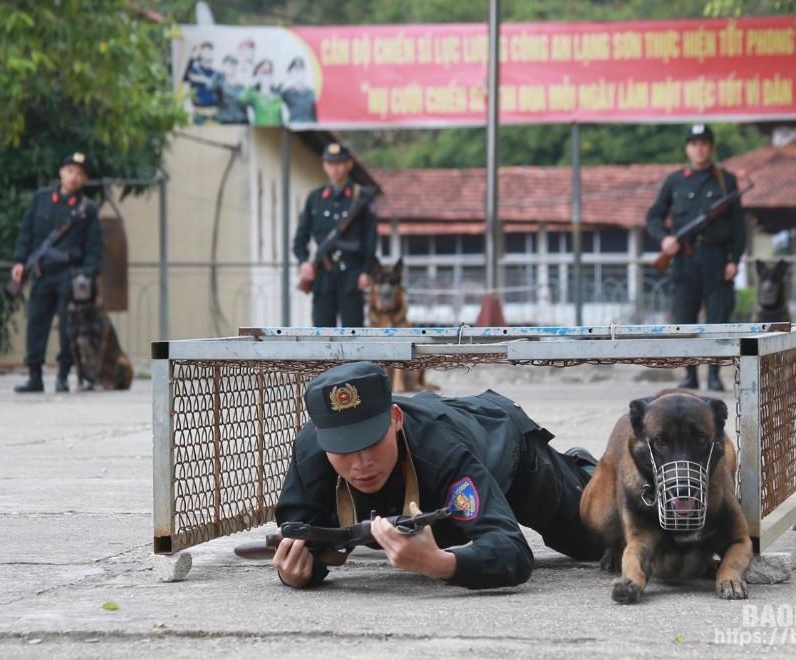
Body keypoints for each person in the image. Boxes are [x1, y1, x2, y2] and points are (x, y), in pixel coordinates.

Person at [272, 361, 604, 590]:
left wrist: (438, 564)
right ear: (319, 435)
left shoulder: (442, 451)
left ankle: (583, 469)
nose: (361, 463)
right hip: (445, 436)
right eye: (343, 449)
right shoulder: (311, 453)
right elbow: (301, 543)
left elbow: (512, 553)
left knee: (599, 539)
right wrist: (298, 573)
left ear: (396, 418)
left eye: (371, 442)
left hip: (511, 457)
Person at [645, 123, 746, 391]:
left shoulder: (726, 181)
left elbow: (739, 227)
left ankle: (714, 376)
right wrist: (666, 238)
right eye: (694, 144)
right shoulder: (675, 181)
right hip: (685, 260)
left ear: (711, 148)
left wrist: (734, 259)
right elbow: (654, 216)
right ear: (688, 148)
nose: (699, 148)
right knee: (685, 321)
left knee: (717, 321)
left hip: (716, 258)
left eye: (704, 143)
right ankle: (689, 374)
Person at [11, 152, 104, 393]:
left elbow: (94, 248)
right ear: (61, 172)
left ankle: (63, 375)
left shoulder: (87, 209)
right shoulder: (41, 200)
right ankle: (35, 376)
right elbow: (26, 232)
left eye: (80, 174)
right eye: (70, 171)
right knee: (36, 323)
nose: (74, 177)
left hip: (70, 276)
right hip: (43, 272)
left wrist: (89, 275)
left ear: (84, 179)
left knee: (67, 329)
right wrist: (20, 261)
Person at [292, 142, 378, 327]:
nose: (335, 168)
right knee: (322, 333)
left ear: (349, 164)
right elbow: (301, 238)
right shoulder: (315, 198)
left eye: (340, 163)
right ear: (324, 166)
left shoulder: (361, 197)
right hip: (323, 275)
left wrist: (366, 271)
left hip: (352, 274)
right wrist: (303, 262)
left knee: (353, 332)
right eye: (330, 163)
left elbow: (370, 239)